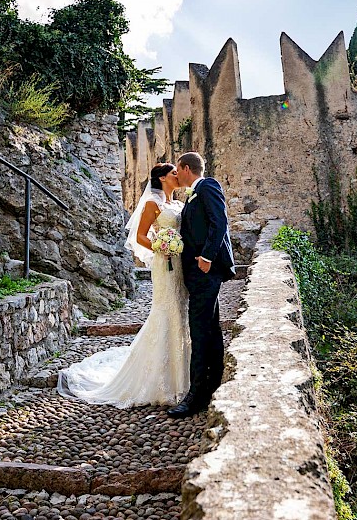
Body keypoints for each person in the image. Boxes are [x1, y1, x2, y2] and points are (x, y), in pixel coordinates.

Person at [57, 163, 191, 408]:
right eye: (174, 173)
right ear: (162, 178)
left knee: (181, 310)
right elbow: (141, 235)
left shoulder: (178, 204)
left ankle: (182, 372)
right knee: (166, 310)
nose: (178, 176)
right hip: (166, 264)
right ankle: (162, 379)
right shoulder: (153, 202)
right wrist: (161, 248)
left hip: (181, 264)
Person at [167, 152, 235, 418]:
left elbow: (220, 223)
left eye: (177, 170)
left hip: (205, 271)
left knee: (199, 329)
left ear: (186, 168)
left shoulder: (208, 186)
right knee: (210, 328)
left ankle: (194, 397)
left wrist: (207, 257)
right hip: (199, 273)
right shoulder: (194, 194)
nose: (176, 175)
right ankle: (214, 384)